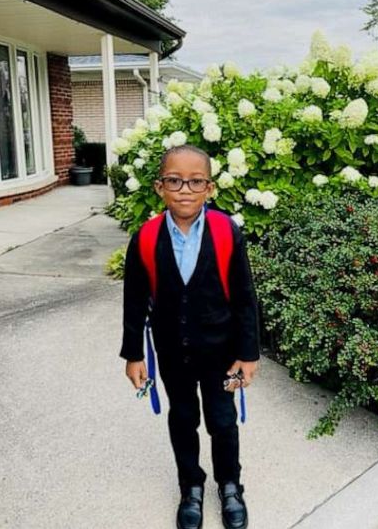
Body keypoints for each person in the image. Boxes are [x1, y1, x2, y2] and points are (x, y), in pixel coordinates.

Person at [120, 145, 261, 529]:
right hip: (173, 354)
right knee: (182, 418)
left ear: (209, 188)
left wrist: (248, 355)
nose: (185, 189)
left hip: (225, 355)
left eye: (195, 181)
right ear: (159, 187)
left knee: (223, 420)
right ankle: (191, 486)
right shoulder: (146, 238)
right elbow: (134, 302)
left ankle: (230, 484)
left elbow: (246, 298)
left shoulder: (226, 232)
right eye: (174, 180)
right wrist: (134, 355)